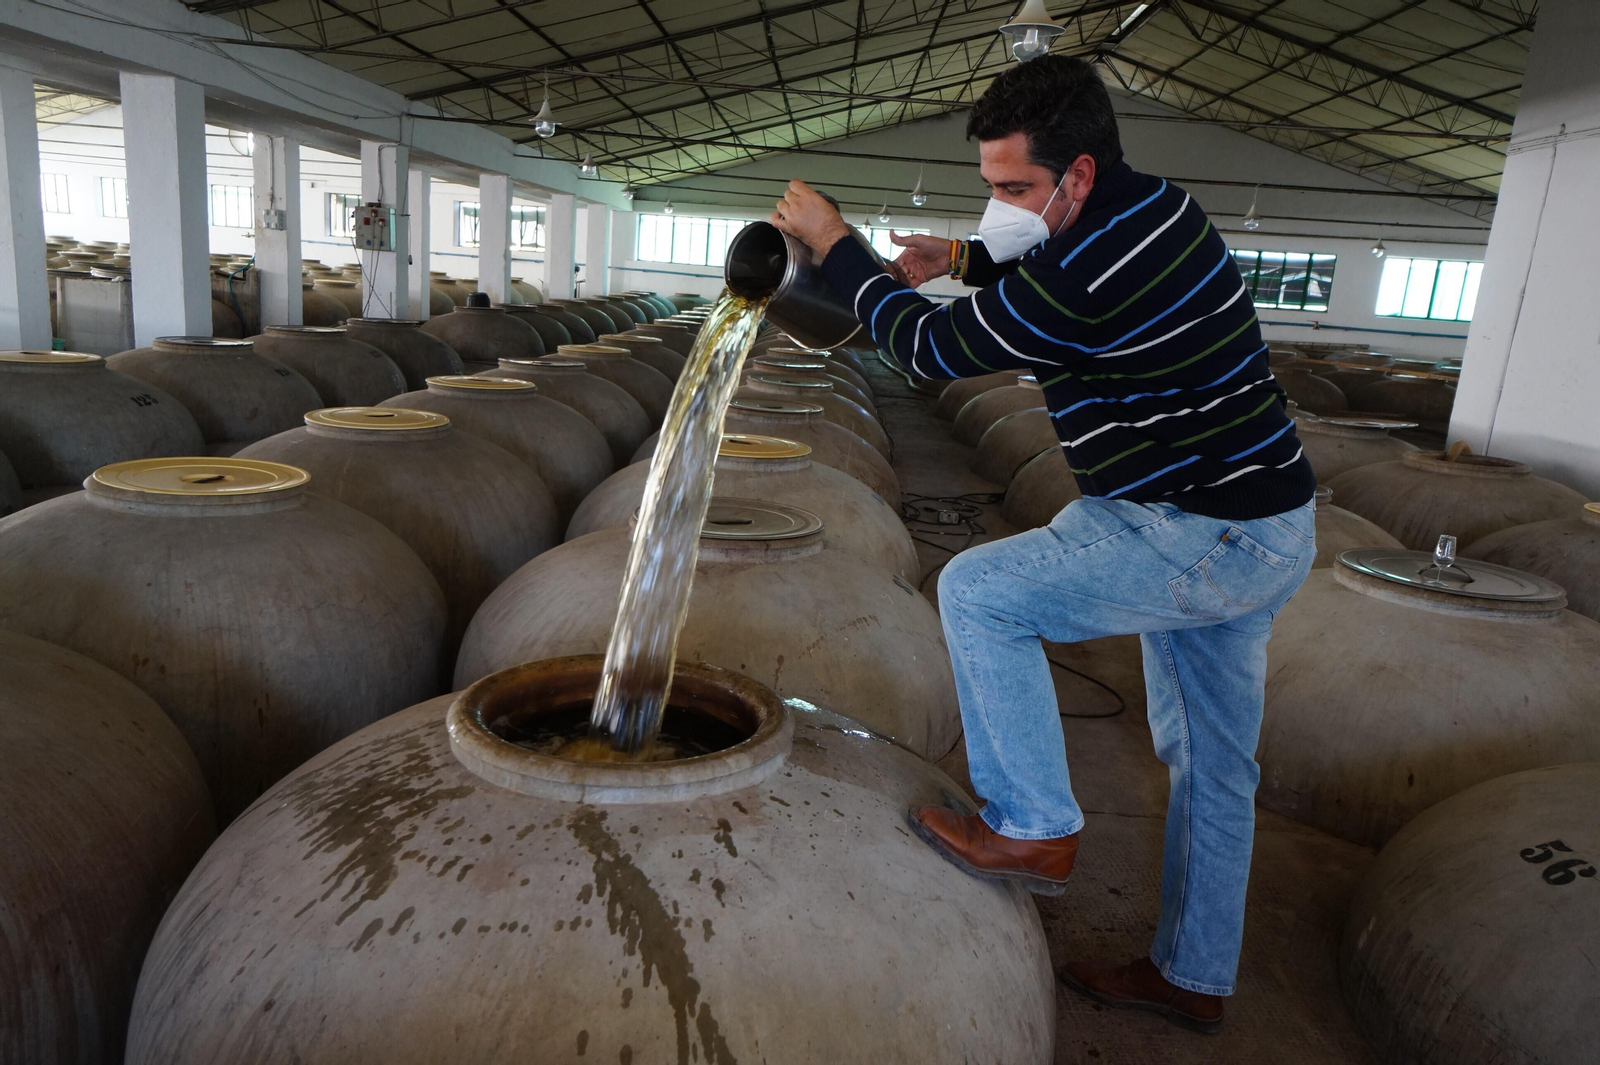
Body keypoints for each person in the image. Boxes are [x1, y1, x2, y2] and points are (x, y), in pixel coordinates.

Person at [769, 54, 1316, 1035]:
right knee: (1213, 768)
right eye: (990, 188)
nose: (1001, 205)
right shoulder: (1155, 211)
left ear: (1079, 174)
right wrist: (960, 259)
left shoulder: (1099, 266)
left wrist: (839, 248)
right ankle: (1192, 974)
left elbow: (934, 351)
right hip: (1255, 519)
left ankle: (1031, 829)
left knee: (981, 592)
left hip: (1198, 528)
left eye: (1016, 188)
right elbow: (1043, 269)